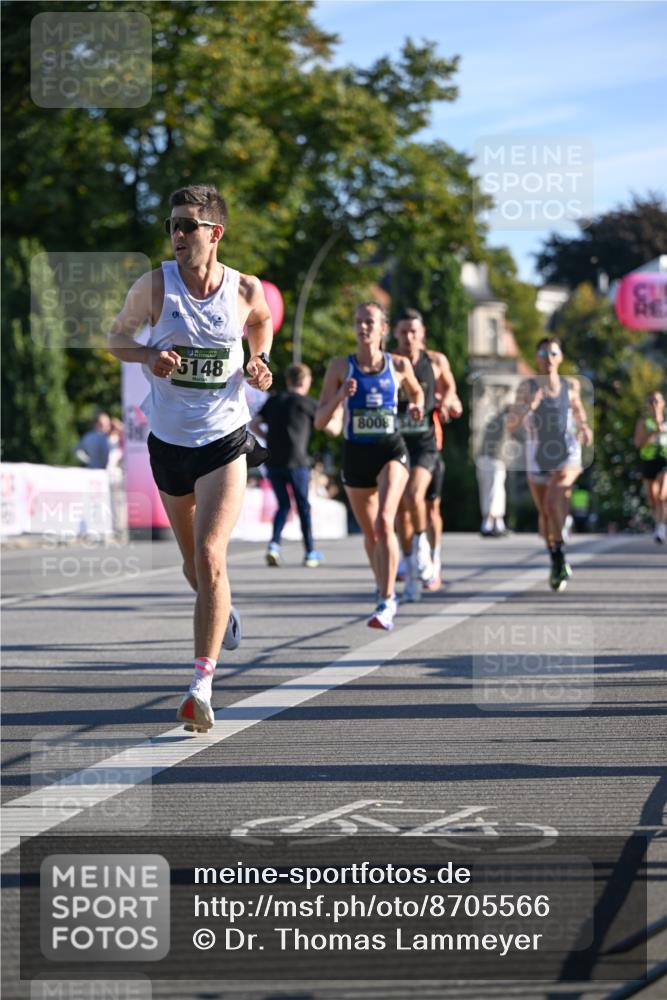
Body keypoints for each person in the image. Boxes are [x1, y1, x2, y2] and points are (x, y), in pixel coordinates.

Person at [108, 183, 273, 733]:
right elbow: (116, 338)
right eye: (172, 226)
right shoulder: (155, 286)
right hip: (169, 443)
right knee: (193, 566)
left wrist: (259, 360)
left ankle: (201, 685)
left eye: (187, 226)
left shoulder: (244, 288)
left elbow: (261, 321)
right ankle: (222, 608)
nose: (177, 235)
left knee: (209, 554)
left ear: (215, 232)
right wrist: (148, 355)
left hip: (224, 439)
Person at [315, 302, 424, 630]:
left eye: (370, 322)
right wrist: (340, 397)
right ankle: (383, 586)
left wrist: (416, 406)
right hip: (356, 454)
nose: (363, 327)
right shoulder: (340, 367)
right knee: (371, 533)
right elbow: (320, 420)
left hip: (391, 450)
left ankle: (387, 600)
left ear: (382, 329)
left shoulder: (399, 364)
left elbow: (417, 393)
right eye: (359, 321)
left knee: (384, 521)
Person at [506, 337, 592, 591]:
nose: (549, 359)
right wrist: (529, 406)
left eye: (553, 353)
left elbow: (578, 409)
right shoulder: (528, 387)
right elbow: (511, 424)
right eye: (543, 354)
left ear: (560, 357)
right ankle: (556, 559)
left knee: (552, 503)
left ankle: (559, 553)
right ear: (536, 358)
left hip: (567, 453)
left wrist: (584, 426)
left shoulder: (571, 385)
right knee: (545, 515)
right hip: (538, 456)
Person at [393, 310, 462, 601]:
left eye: (414, 332)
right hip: (396, 443)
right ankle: (409, 564)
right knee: (401, 509)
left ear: (422, 334)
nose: (409, 337)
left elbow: (450, 387)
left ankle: (430, 555)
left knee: (423, 502)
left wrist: (447, 402)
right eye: (403, 332)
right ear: (395, 334)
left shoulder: (435, 361)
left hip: (426, 443)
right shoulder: (390, 362)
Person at [256, 362, 339, 568]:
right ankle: (310, 551)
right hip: (297, 462)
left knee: (283, 505)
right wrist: (339, 411)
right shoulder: (307, 403)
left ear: (288, 380)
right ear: (305, 381)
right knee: (303, 506)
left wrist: (267, 437)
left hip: (273, 461)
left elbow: (254, 423)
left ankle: (274, 545)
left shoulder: (274, 400)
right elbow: (331, 429)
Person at [633, 390, 667, 543]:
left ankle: (661, 528)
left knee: (661, 495)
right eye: (651, 401)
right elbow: (638, 443)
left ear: (663, 403)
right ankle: (658, 523)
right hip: (648, 461)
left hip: (664, 460)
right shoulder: (644, 422)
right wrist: (653, 432)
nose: (654, 404)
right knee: (652, 498)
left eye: (657, 401)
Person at [476, 404, 511, 538]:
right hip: (494, 459)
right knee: (494, 491)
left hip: (486, 458)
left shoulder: (494, 420)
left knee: (491, 491)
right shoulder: (505, 420)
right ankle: (489, 524)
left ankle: (496, 524)